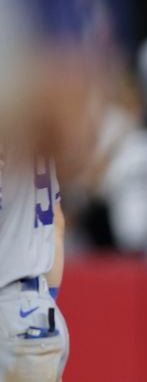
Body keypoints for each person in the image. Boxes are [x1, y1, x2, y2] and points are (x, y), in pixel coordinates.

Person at [0, 146, 69, 382]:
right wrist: (43, 301)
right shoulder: (37, 148)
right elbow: (57, 224)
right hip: (39, 310)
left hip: (11, 314)